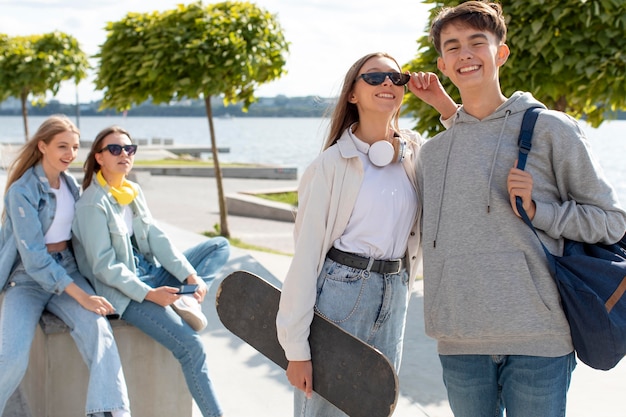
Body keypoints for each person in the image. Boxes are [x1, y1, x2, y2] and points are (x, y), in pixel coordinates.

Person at [417, 2, 626, 416]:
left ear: (501, 53)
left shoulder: (552, 129)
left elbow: (613, 223)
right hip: (458, 341)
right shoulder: (434, 152)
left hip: (539, 339)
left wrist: (540, 210)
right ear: (442, 64)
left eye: (478, 42)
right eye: (453, 46)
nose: (466, 54)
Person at [275, 52, 458, 416]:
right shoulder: (329, 166)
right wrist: (295, 349)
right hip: (341, 294)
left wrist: (443, 103)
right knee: (325, 410)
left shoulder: (415, 154)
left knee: (376, 408)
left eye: (396, 77)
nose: (387, 83)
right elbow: (307, 256)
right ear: (352, 94)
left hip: (395, 292)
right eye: (374, 78)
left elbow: (469, 148)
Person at [70, 125, 230, 417]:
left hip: (151, 273)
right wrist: (150, 294)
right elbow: (104, 266)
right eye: (115, 149)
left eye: (129, 149)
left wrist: (190, 276)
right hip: (126, 294)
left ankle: (185, 297)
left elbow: (157, 238)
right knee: (192, 349)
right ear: (99, 157)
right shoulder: (92, 204)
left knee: (218, 247)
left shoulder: (132, 192)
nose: (124, 155)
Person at [0, 115, 131, 417]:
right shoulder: (21, 191)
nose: (70, 155)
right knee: (11, 358)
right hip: (28, 279)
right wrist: (82, 296)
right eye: (62, 146)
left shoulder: (71, 185)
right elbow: (34, 258)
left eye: (74, 147)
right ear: (42, 146)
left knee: (99, 332)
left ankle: (110, 413)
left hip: (68, 270)